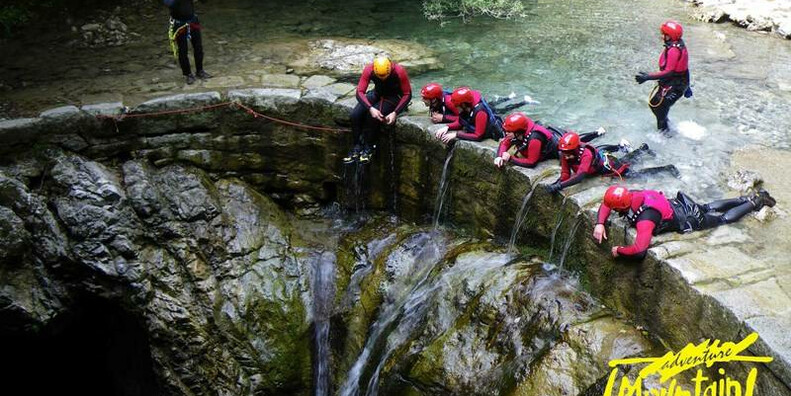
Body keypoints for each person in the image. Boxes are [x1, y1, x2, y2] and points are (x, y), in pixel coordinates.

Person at [593, 185, 776, 259]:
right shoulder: (632, 194)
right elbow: (607, 204)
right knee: (705, 206)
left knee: (722, 219)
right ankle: (744, 198)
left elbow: (640, 251)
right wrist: (600, 223)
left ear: (622, 206)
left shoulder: (646, 219)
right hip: (678, 204)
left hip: (689, 218)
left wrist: (619, 251)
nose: (612, 210)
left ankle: (755, 202)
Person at [544, 132, 678, 193]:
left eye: (568, 153)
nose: (565, 156)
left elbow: (580, 176)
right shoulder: (565, 153)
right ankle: (642, 149)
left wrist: (560, 187)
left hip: (610, 165)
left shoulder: (586, 154)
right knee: (628, 160)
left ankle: (666, 168)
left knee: (634, 174)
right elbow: (565, 173)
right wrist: (556, 184)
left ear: (575, 149)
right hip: (601, 163)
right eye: (564, 152)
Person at [344, 55, 412, 164]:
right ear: (375, 71)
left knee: (373, 117)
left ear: (390, 69)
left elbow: (407, 94)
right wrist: (370, 108)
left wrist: (395, 112)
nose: (383, 78)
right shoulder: (369, 69)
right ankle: (357, 146)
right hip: (377, 93)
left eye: (385, 75)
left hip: (394, 97)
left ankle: (369, 147)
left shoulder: (399, 71)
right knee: (355, 115)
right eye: (379, 76)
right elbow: (360, 92)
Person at [494, 112, 606, 169]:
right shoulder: (519, 132)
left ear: (518, 131)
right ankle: (596, 133)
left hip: (557, 143)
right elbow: (505, 142)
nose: (506, 133)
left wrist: (511, 159)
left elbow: (532, 162)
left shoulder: (534, 139)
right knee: (578, 139)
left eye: (508, 131)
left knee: (580, 143)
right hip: (551, 135)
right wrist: (499, 156)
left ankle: (597, 133)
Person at [635, 20, 690, 133]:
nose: (662, 36)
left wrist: (647, 77)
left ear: (670, 36)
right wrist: (687, 87)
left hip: (675, 85)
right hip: (677, 83)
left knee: (659, 107)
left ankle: (664, 136)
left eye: (664, 34)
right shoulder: (678, 45)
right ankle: (667, 127)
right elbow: (684, 68)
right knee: (657, 106)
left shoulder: (674, 50)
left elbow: (669, 72)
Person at [434, 87, 505, 144]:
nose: (455, 107)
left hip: (493, 133)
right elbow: (460, 122)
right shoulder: (465, 109)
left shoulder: (480, 112)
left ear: (463, 105)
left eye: (456, 106)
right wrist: (447, 127)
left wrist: (456, 134)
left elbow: (478, 136)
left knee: (505, 108)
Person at [165, 0, 212, 85]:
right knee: (183, 50)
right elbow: (169, 3)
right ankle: (188, 74)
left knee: (198, 47)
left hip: (193, 21)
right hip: (179, 24)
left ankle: (200, 71)